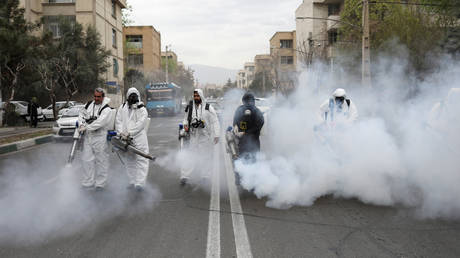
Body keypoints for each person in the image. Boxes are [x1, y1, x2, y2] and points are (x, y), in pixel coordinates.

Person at [180, 89, 220, 185]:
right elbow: (185, 119)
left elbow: (215, 121)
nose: (196, 98)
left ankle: (205, 176)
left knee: (205, 156)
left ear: (201, 96)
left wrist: (217, 134)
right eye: (195, 96)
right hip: (193, 136)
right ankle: (185, 176)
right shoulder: (190, 108)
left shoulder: (208, 108)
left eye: (197, 96)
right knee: (190, 156)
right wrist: (185, 125)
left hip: (205, 137)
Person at [78, 88, 113, 191]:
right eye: (95, 96)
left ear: (103, 97)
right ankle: (88, 182)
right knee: (86, 160)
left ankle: (100, 184)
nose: (96, 98)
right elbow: (81, 115)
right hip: (88, 136)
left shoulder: (106, 109)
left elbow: (100, 122)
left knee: (101, 160)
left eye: (99, 97)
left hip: (100, 137)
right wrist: (81, 124)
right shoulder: (88, 105)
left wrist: (87, 127)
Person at [115, 87, 150, 191]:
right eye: (131, 95)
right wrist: (121, 133)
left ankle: (140, 183)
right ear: (127, 97)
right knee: (129, 161)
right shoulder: (122, 108)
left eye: (134, 95)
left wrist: (130, 133)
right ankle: (132, 181)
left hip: (139, 139)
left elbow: (141, 124)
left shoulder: (142, 109)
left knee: (141, 160)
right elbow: (118, 121)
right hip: (125, 138)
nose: (132, 97)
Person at [232, 92, 264, 161]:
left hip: (247, 142)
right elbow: (260, 124)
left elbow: (259, 124)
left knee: (244, 161)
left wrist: (243, 132)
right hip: (250, 143)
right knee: (252, 162)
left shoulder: (241, 109)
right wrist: (235, 126)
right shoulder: (257, 111)